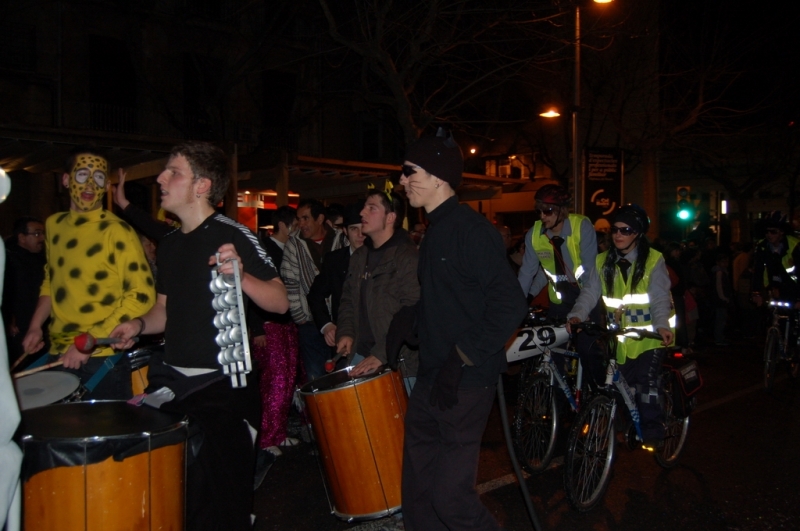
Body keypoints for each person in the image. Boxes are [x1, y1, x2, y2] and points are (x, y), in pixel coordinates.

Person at [109, 141, 288, 530]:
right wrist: (138, 325)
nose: (161, 178)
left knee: (221, 507)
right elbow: (163, 311)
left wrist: (242, 277)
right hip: (174, 382)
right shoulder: (170, 245)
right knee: (176, 502)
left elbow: (279, 302)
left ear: (202, 186)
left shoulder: (233, 234)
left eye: (173, 171)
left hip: (225, 388)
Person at [396, 130, 527, 531]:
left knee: (450, 499)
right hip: (432, 373)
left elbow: (510, 304)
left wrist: (463, 355)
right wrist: (413, 320)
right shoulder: (434, 229)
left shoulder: (472, 231)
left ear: (438, 176)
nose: (401, 181)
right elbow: (454, 296)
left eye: (409, 171)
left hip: (465, 381)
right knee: (417, 494)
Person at [22, 147, 156, 400]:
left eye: (98, 178)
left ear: (106, 185)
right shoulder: (53, 225)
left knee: (104, 437)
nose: (90, 185)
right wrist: (35, 326)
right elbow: (52, 281)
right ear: (65, 179)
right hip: (58, 351)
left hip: (99, 357)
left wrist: (89, 342)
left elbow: (141, 295)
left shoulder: (117, 231)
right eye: (83, 175)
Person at [595, 204, 675, 448]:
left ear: (638, 234)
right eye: (615, 230)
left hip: (650, 336)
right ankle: (627, 424)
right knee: (622, 385)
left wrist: (661, 325)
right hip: (622, 338)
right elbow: (589, 293)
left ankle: (654, 429)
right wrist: (575, 316)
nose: (618, 235)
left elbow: (660, 297)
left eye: (626, 230)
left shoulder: (653, 260)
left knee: (645, 380)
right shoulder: (602, 261)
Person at [517, 183, 603, 382]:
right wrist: (518, 302)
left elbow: (590, 274)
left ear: (561, 211)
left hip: (585, 295)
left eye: (547, 211)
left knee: (587, 349)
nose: (542, 216)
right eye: (538, 211)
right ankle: (559, 405)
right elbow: (528, 273)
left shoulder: (582, 227)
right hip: (559, 300)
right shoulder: (534, 234)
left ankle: (599, 396)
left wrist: (581, 312)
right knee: (553, 353)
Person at [336, 189, 419, 389]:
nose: (362, 213)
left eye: (371, 208)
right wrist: (346, 332)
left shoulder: (407, 258)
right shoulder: (359, 257)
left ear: (390, 217)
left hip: (399, 363)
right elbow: (348, 299)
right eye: (364, 207)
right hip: (360, 356)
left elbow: (413, 312)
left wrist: (382, 353)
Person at [250, 205, 300, 468]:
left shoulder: (290, 250)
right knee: (275, 380)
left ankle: (278, 433)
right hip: (268, 324)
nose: (298, 228)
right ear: (283, 225)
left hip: (288, 321)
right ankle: (266, 437)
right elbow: (251, 293)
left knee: (288, 378)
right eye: (295, 223)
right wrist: (257, 329)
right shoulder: (264, 251)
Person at [281, 199, 347, 380]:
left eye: (305, 218)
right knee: (316, 376)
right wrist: (300, 316)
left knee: (341, 374)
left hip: (340, 320)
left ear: (320, 219)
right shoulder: (294, 243)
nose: (301, 224)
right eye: (299, 219)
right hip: (310, 322)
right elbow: (290, 281)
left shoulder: (341, 238)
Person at [308, 201, 365, 353]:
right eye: (354, 229)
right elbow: (315, 295)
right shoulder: (334, 260)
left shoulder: (382, 258)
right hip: (344, 338)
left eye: (363, 229)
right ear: (345, 231)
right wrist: (327, 326)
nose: (360, 235)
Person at [3, 216, 47, 366]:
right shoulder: (9, 260)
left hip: (39, 323)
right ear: (21, 237)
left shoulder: (42, 258)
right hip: (19, 326)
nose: (41, 238)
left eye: (42, 233)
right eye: (36, 234)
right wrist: (8, 319)